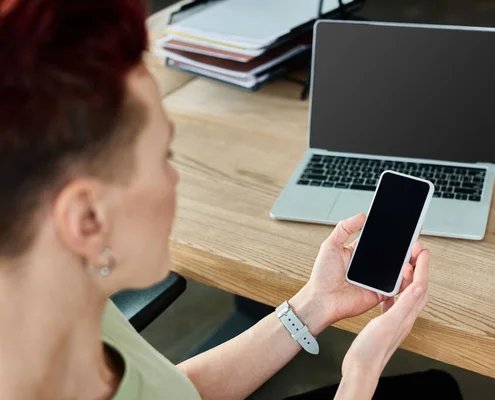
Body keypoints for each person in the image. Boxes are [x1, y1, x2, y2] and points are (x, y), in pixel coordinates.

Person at [0, 1, 460, 399]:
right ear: (85, 219)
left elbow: (169, 393)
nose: (175, 180)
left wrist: (314, 305)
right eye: (164, 157)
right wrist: (359, 373)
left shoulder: (53, 288)